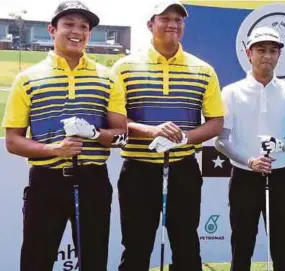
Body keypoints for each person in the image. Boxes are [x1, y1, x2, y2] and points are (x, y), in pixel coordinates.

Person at [1, 1, 128, 270]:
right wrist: (54, 150)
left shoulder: (107, 78)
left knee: (93, 261)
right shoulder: (28, 78)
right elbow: (13, 141)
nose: (77, 31)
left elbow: (122, 137)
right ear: (51, 29)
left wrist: (94, 133)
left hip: (93, 180)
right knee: (36, 260)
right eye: (68, 24)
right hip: (46, 183)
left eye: (84, 26)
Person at [110, 1, 224, 270]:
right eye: (165, 18)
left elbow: (216, 122)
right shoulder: (124, 68)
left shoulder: (203, 70)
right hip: (138, 170)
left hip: (183, 170)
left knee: (186, 246)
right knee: (136, 247)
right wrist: (152, 131)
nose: (173, 24)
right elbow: (115, 121)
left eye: (178, 19)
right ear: (150, 24)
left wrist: (183, 138)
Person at [214, 26, 285, 271]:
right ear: (249, 53)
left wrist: (281, 144)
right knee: (242, 244)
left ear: (279, 55)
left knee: (282, 246)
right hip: (244, 177)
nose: (267, 56)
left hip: (281, 176)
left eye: (273, 51)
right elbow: (221, 141)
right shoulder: (231, 92)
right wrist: (250, 161)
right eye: (261, 50)